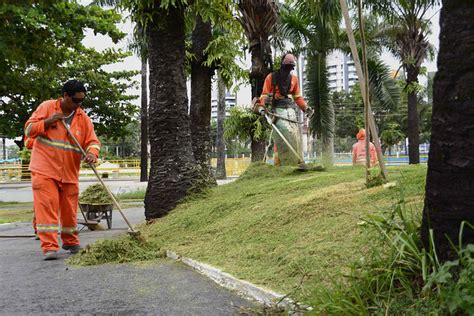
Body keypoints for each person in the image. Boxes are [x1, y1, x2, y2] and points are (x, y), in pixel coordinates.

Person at [24, 80, 100, 260]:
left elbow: (93, 141)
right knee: (47, 209)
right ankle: (49, 247)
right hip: (45, 169)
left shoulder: (83, 118)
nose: (78, 105)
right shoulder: (47, 107)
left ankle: (70, 241)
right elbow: (28, 130)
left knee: (69, 210)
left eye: (82, 101)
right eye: (75, 100)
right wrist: (47, 122)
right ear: (65, 96)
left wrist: (92, 154)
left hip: (69, 173)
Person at [256, 53, 314, 166]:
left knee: (296, 136)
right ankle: (280, 164)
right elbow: (264, 95)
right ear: (282, 65)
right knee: (283, 136)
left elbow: (297, 98)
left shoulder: (294, 80)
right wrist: (262, 107)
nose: (288, 70)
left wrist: (306, 109)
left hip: (290, 110)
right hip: (277, 111)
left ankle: (297, 161)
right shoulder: (271, 77)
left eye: (290, 68)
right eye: (287, 67)